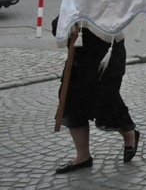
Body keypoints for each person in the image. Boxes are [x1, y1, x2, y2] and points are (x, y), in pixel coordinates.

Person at [52, 17, 139, 174]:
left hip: (107, 55)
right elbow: (58, 24)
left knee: (105, 102)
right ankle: (83, 156)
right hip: (80, 58)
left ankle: (129, 135)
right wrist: (68, 24)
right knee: (72, 103)